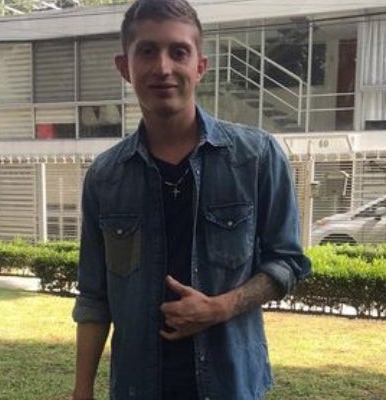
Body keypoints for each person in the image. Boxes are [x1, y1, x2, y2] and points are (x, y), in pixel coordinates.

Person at [72, 0, 311, 399]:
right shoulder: (106, 176)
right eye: (147, 51)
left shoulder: (256, 158)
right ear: (124, 66)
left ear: (200, 66)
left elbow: (287, 262)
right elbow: (94, 297)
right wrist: (82, 390)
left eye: (178, 52)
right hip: (137, 387)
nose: (163, 67)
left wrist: (221, 307)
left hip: (229, 385)